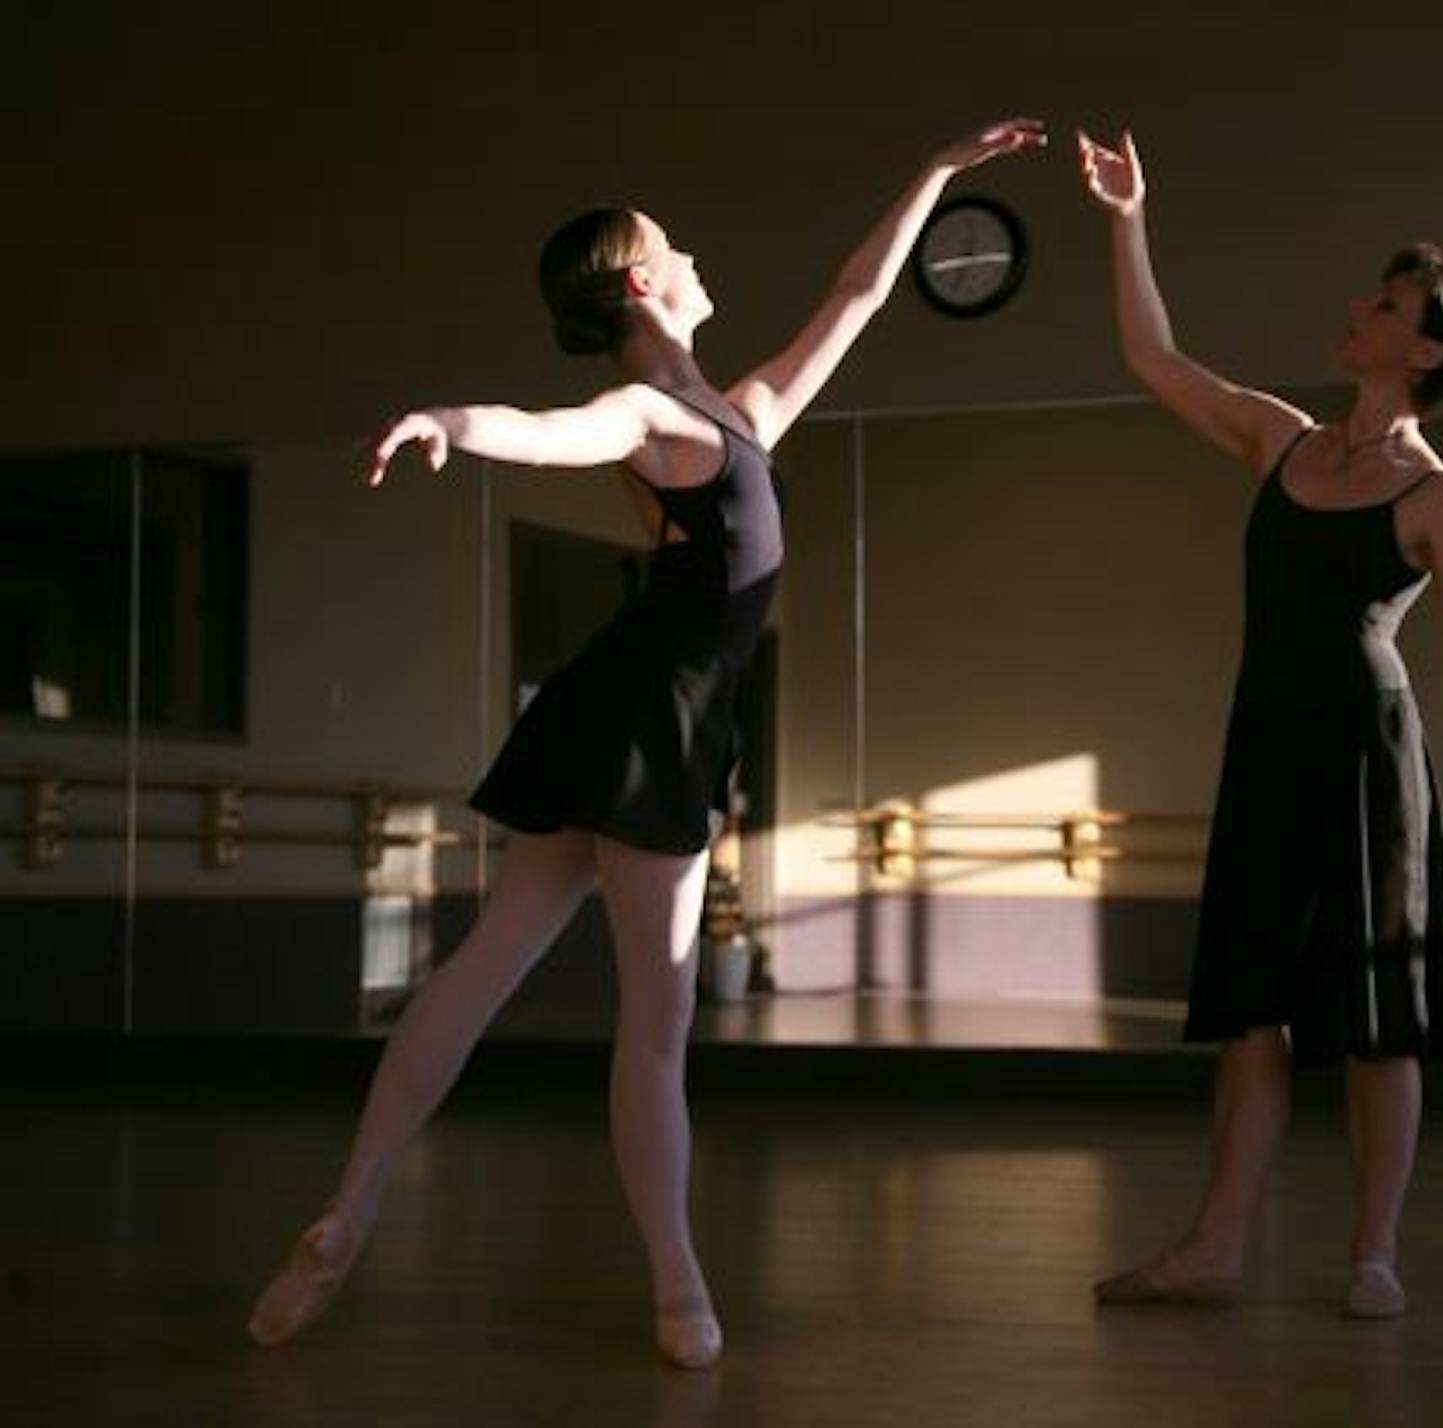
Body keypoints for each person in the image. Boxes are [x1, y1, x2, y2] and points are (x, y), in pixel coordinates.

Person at [246, 119, 1046, 1368]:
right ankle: (678, 1294)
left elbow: (857, 292)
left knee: (480, 969)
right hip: (654, 721)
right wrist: (451, 425)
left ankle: (349, 1213)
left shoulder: (739, 414)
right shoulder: (652, 411)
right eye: (676, 248)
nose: (696, 254)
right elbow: (552, 426)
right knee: (655, 1024)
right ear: (640, 284)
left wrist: (937, 174)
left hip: (614, 706)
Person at [1075, 129, 1443, 1320]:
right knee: (1251, 1006)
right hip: (1266, 743)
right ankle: (1214, 1245)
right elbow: (1152, 355)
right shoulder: (1280, 438)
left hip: (1374, 760)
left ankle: (1373, 1254)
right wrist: (1129, 217)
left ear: (1423, 349)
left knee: (1382, 1019)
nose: (1359, 311)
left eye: (1386, 305)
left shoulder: (1436, 496)